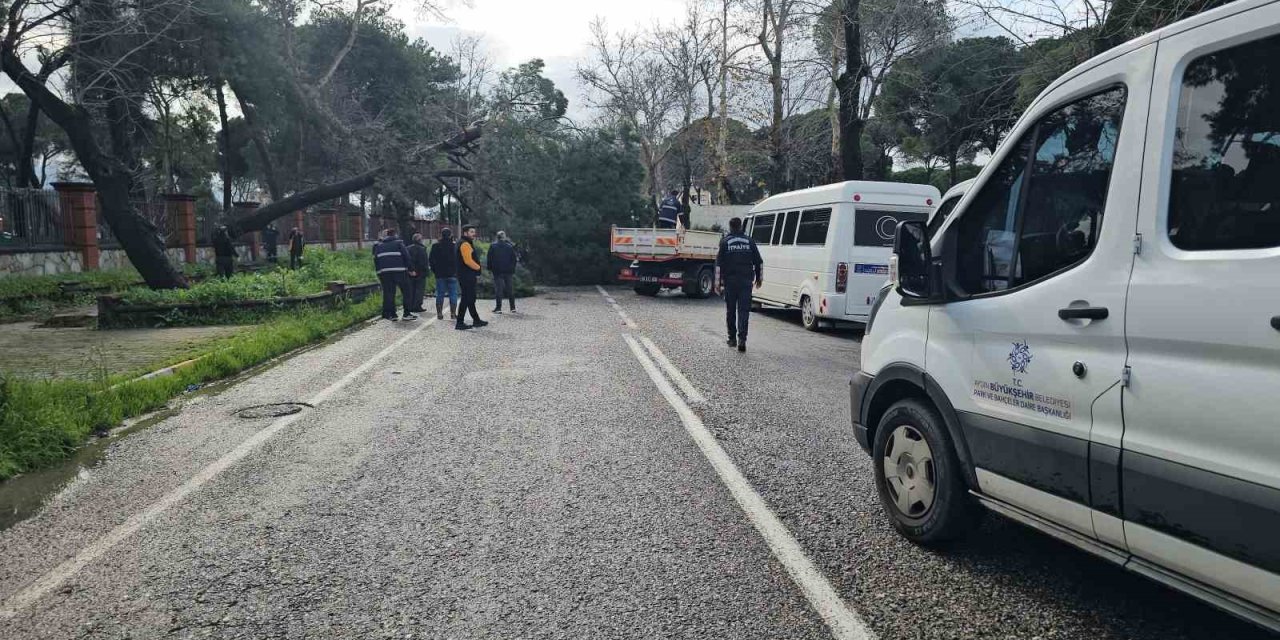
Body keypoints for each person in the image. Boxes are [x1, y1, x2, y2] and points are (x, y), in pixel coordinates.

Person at [716, 217, 763, 352]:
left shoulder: (725, 242)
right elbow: (759, 262)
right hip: (746, 282)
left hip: (730, 282)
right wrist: (759, 278)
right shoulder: (750, 241)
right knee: (744, 311)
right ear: (741, 226)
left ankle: (732, 339)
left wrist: (717, 283)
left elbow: (719, 264)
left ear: (730, 227)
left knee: (731, 311)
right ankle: (742, 339)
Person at [373, 227, 416, 322]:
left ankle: (391, 314)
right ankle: (407, 313)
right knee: (407, 291)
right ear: (395, 235)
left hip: (384, 273)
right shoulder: (399, 243)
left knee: (389, 293)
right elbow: (406, 256)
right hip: (400, 271)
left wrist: (379, 272)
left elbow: (376, 259)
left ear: (386, 235)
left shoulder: (379, 246)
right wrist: (411, 269)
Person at [455, 224, 487, 330]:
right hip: (467, 275)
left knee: (470, 298)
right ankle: (459, 323)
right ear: (465, 233)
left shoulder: (463, 243)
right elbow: (468, 261)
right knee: (466, 298)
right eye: (471, 232)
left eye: (474, 232)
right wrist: (478, 267)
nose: (474, 234)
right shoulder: (465, 244)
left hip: (465, 275)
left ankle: (476, 320)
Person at [429, 227, 459, 320]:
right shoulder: (455, 246)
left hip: (440, 274)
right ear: (451, 235)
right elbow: (459, 260)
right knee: (453, 294)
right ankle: (453, 314)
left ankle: (439, 314)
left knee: (440, 294)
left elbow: (431, 260)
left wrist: (435, 271)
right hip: (452, 274)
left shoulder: (435, 246)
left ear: (441, 235)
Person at [487, 230, 518, 314]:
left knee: (498, 290)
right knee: (510, 289)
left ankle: (498, 308)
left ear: (497, 237)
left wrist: (490, 269)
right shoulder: (509, 247)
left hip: (497, 271)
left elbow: (489, 259)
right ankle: (513, 308)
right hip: (508, 271)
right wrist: (512, 269)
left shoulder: (493, 246)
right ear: (504, 237)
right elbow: (514, 259)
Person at [406, 232, 430, 314]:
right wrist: (426, 271)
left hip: (410, 272)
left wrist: (410, 270)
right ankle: (417, 306)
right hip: (420, 273)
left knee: (411, 289)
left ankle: (410, 305)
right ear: (420, 240)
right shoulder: (422, 249)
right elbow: (424, 262)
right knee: (419, 290)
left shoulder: (408, 248)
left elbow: (406, 260)